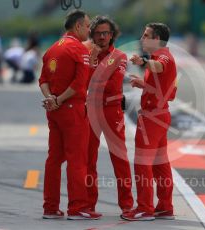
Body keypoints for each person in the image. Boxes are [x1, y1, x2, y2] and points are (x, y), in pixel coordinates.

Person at [39, 9, 101, 220]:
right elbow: (79, 84)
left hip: (54, 112)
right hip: (72, 110)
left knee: (54, 159)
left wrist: (51, 99)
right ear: (77, 27)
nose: (89, 30)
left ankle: (50, 207)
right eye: (87, 26)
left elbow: (43, 81)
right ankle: (78, 207)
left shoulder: (52, 49)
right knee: (77, 159)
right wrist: (60, 100)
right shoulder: (78, 49)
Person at [121, 22, 177, 221]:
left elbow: (160, 66)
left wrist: (143, 61)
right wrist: (143, 84)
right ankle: (164, 206)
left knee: (142, 163)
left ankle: (145, 208)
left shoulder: (162, 57)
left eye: (146, 35)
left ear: (157, 39)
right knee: (160, 164)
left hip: (152, 117)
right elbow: (167, 91)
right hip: (160, 114)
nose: (142, 38)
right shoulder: (162, 56)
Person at [84, 15, 133, 216]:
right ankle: (87, 204)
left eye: (106, 33)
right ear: (92, 35)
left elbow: (111, 85)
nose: (103, 37)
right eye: (98, 33)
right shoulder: (86, 53)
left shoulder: (120, 56)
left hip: (112, 111)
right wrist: (93, 62)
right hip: (91, 111)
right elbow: (83, 83)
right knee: (88, 158)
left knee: (119, 158)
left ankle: (127, 205)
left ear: (112, 35)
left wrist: (93, 69)